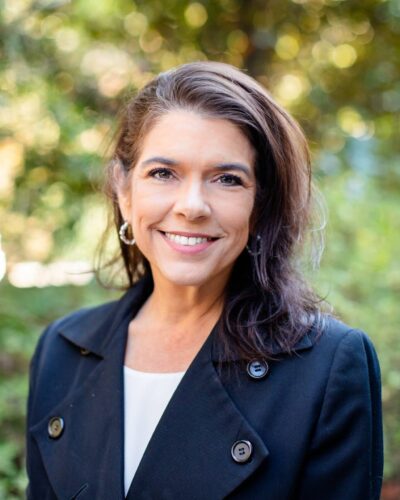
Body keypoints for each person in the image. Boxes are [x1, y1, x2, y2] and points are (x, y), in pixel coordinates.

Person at [26, 61, 383, 500]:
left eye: (227, 179)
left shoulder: (327, 368)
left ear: (260, 206)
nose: (192, 205)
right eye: (163, 173)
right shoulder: (61, 352)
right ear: (124, 190)